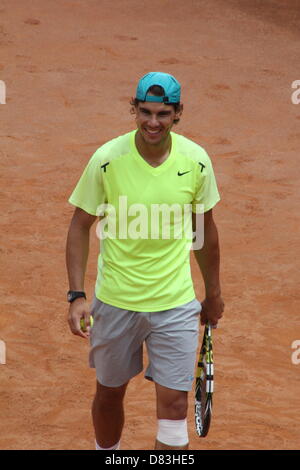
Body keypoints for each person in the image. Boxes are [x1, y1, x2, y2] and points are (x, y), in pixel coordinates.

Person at [66, 72, 224, 450]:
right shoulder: (106, 160)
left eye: (163, 114)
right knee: (108, 395)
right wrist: (76, 295)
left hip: (175, 303)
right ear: (133, 109)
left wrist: (213, 293)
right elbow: (79, 226)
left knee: (174, 406)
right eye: (146, 112)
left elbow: (206, 234)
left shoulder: (197, 162)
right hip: (116, 301)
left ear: (177, 113)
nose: (153, 122)